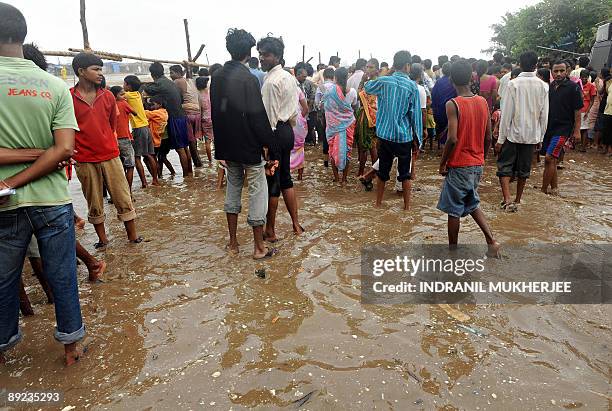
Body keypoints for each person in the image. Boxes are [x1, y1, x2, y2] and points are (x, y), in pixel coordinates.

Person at [0, 2, 84, 366]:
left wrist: (12, 181)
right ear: (22, 34)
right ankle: (71, 348)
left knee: (3, 280)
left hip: (4, 202)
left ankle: (3, 347)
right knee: (63, 275)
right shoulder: (54, 85)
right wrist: (45, 152)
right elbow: (65, 149)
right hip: (52, 198)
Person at [211, 28, 278, 259]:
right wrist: (271, 147)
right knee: (258, 193)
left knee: (233, 189)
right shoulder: (248, 78)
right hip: (249, 147)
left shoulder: (217, 76)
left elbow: (217, 113)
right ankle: (259, 248)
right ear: (248, 53)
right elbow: (257, 117)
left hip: (228, 146)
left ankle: (233, 243)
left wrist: (219, 146)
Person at [437, 60, 499, 256]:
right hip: (476, 163)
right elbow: (488, 137)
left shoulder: (453, 104)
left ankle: (452, 253)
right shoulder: (482, 101)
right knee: (472, 203)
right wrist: (482, 156)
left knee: (453, 210)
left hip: (459, 164)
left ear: (451, 80)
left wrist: (443, 162)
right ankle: (491, 241)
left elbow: (452, 138)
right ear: (472, 78)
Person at [258, 35, 304, 240]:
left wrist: (265, 144)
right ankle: (295, 224)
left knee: (273, 182)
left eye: (265, 54)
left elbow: (268, 118)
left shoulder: (270, 82)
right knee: (286, 178)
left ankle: (270, 230)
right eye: (260, 54)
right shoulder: (289, 77)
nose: (261, 58)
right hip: (287, 131)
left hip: (275, 133)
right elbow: (294, 110)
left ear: (277, 56)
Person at [364, 50, 422, 210]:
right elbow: (415, 115)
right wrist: (418, 139)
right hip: (404, 137)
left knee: (383, 172)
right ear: (407, 65)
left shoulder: (384, 81)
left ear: (395, 65)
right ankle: (407, 207)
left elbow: (367, 87)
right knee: (405, 174)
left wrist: (387, 73)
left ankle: (378, 204)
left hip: (385, 136)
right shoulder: (412, 87)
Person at [495, 51, 549, 211]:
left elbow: (506, 114)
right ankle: (518, 200)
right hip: (531, 136)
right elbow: (544, 115)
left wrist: (500, 139)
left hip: (512, 134)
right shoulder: (543, 86)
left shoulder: (513, 84)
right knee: (524, 170)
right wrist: (541, 137)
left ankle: (507, 199)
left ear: (519, 64)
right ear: (536, 65)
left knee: (504, 167)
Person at [541, 60, 583, 195]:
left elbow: (578, 112)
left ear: (567, 71)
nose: (558, 74)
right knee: (551, 158)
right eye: (556, 71)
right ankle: (554, 189)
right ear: (552, 72)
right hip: (549, 127)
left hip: (563, 128)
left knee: (549, 158)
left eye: (561, 71)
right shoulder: (550, 86)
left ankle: (543, 191)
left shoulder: (574, 87)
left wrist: (577, 131)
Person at [144, 62, 191, 177]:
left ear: (152, 74)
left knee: (180, 149)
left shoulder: (159, 84)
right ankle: (189, 173)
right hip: (181, 116)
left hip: (175, 118)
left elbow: (148, 89)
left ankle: (186, 177)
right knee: (185, 147)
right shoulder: (170, 82)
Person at [123, 75, 160, 188]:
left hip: (138, 128)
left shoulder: (128, 95)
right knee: (149, 154)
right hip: (146, 126)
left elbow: (114, 94)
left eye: (124, 84)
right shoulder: (138, 94)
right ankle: (155, 179)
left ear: (128, 86)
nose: (123, 86)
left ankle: (144, 182)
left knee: (137, 157)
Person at [323, 67, 357, 184]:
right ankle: (344, 179)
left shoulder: (329, 91)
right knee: (347, 151)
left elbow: (326, 108)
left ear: (335, 77)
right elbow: (353, 106)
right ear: (347, 77)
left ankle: (336, 178)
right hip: (348, 125)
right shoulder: (352, 92)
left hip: (333, 126)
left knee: (332, 151)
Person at [169, 65, 202, 169]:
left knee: (190, 141)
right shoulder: (191, 80)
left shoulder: (177, 82)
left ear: (178, 73)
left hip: (188, 113)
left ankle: (196, 164)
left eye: (172, 73)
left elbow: (174, 96)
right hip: (197, 112)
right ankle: (197, 163)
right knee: (193, 140)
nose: (171, 76)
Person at [355, 58, 379, 178]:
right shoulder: (380, 83)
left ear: (377, 70)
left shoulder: (369, 84)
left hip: (367, 118)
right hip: (377, 118)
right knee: (373, 145)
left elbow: (360, 97)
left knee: (364, 147)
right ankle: (375, 173)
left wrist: (362, 81)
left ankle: (361, 173)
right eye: (367, 67)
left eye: (371, 67)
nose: (368, 69)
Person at [109, 86, 136, 192]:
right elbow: (135, 113)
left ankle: (117, 192)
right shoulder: (124, 104)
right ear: (115, 96)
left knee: (118, 168)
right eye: (122, 94)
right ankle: (128, 191)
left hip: (113, 139)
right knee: (130, 165)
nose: (124, 96)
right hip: (124, 138)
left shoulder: (110, 106)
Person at [431, 62, 457, 146]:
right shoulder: (455, 82)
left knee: (442, 129)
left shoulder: (439, 82)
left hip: (440, 111)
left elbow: (434, 95)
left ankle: (443, 146)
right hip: (453, 109)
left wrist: (434, 109)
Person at [315, 68, 335, 166]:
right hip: (335, 116)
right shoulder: (336, 87)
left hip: (324, 115)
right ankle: (335, 160)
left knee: (325, 137)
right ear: (333, 76)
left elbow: (316, 103)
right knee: (335, 137)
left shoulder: (321, 87)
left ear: (324, 76)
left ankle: (326, 161)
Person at [295, 63, 317, 146]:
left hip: (305, 111)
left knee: (309, 128)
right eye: (304, 76)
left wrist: (306, 111)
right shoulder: (295, 84)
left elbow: (312, 97)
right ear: (298, 75)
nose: (305, 78)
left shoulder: (305, 83)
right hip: (299, 112)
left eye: (306, 76)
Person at [291, 87, 308, 180]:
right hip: (297, 122)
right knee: (300, 149)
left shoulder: (279, 88)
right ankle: (300, 176)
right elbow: (305, 108)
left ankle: (286, 175)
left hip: (283, 121)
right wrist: (300, 119)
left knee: (285, 150)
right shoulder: (297, 89)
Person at [195, 76, 214, 163]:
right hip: (214, 117)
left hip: (205, 119)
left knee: (207, 142)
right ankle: (219, 159)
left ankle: (210, 161)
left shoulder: (199, 96)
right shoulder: (210, 92)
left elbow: (199, 110)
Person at [578, 69, 597, 151]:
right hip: (577, 109)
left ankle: (583, 147)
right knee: (577, 128)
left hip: (585, 109)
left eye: (585, 78)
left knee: (584, 129)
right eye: (582, 78)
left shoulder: (591, 86)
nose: (584, 79)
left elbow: (592, 100)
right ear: (580, 77)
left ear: (588, 77)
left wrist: (588, 111)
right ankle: (578, 144)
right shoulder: (577, 85)